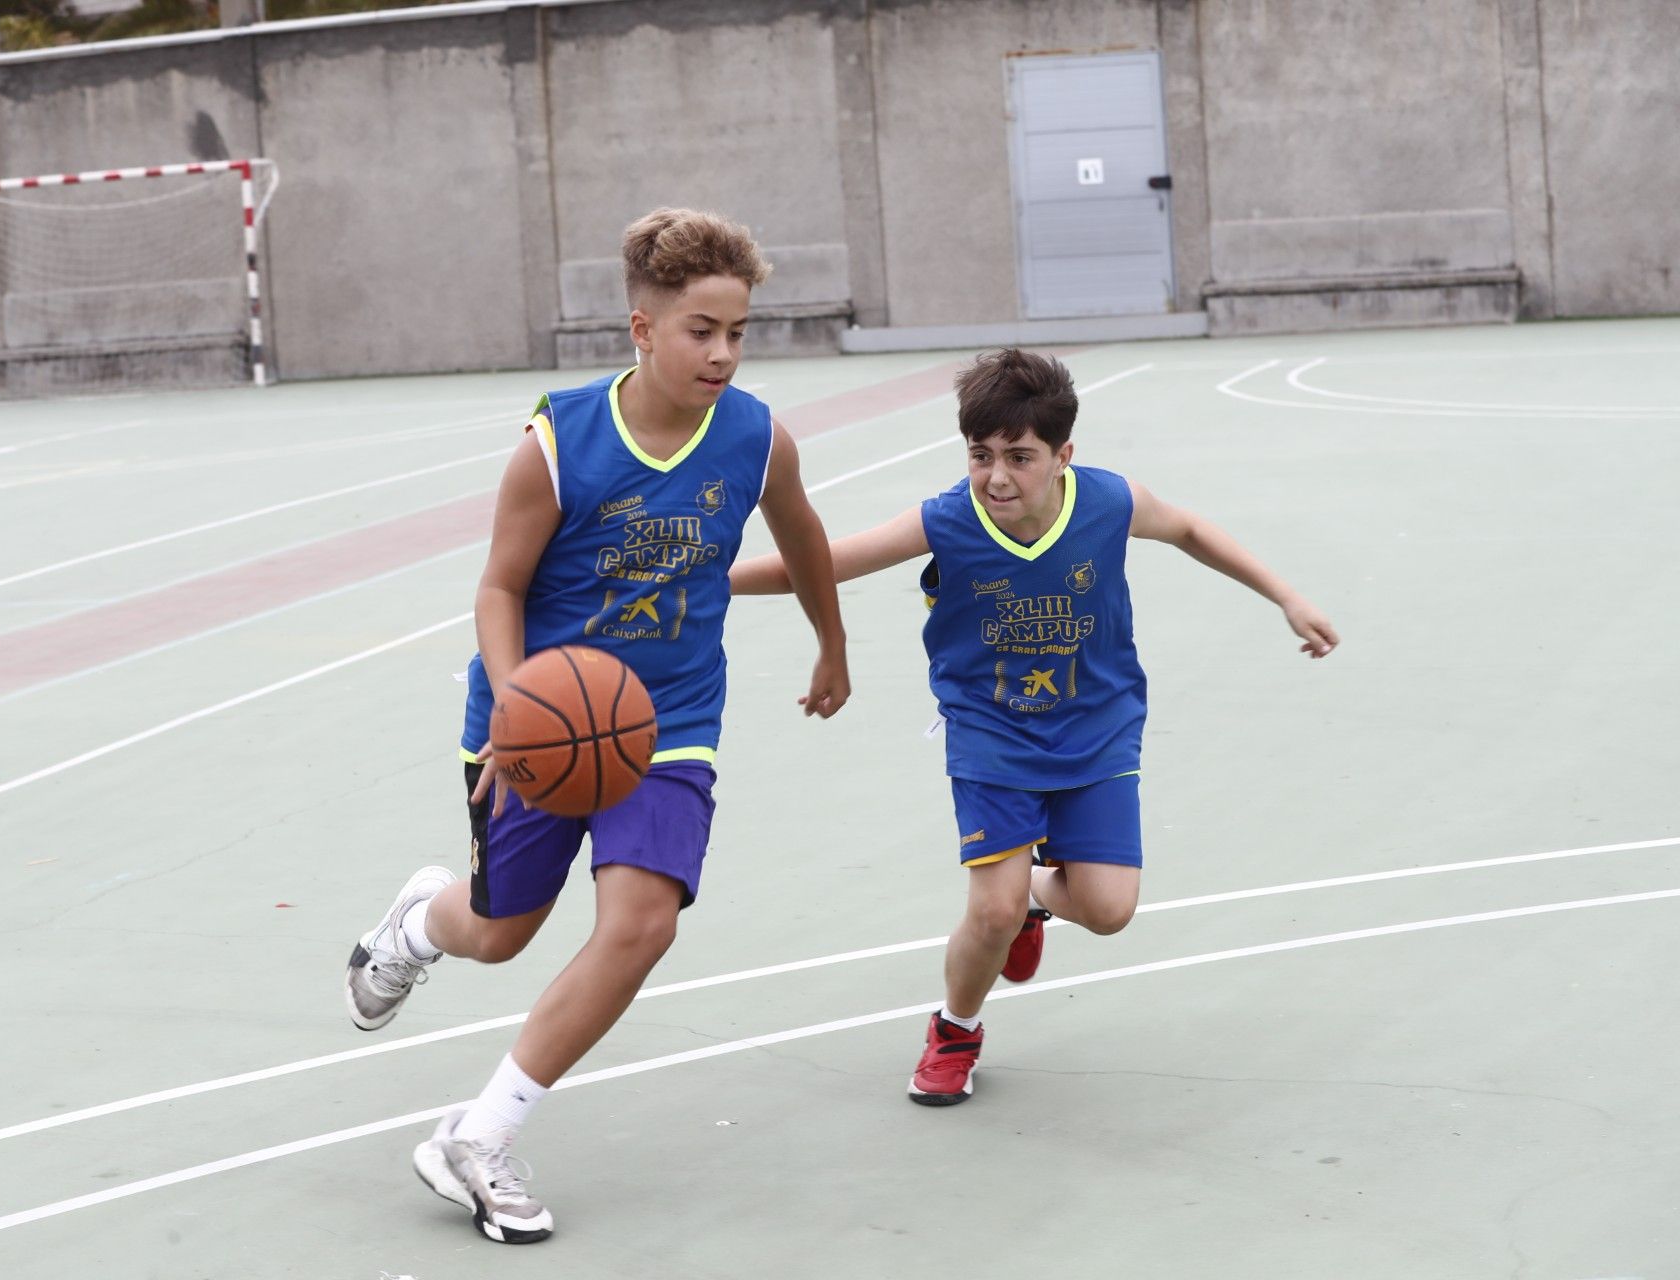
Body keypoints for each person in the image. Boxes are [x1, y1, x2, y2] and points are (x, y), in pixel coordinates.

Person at [342, 208, 850, 1242]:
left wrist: (830, 642)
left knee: (643, 921)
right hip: (538, 716)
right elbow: (497, 588)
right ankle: (415, 923)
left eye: (738, 331)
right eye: (701, 329)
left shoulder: (755, 437)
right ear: (642, 328)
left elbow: (803, 536)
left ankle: (477, 1135)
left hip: (668, 722)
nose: (722, 352)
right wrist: (514, 704)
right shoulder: (559, 442)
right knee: (499, 930)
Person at [729, 348, 1338, 1106]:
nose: (996, 478)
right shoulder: (949, 520)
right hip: (993, 732)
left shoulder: (1108, 503)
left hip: (1098, 725)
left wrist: (1284, 595)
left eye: (1020, 457)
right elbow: (813, 562)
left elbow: (1187, 529)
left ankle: (1036, 901)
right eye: (981, 456)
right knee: (989, 909)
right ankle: (956, 1028)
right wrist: (706, 577)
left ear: (1062, 457)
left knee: (1112, 911)